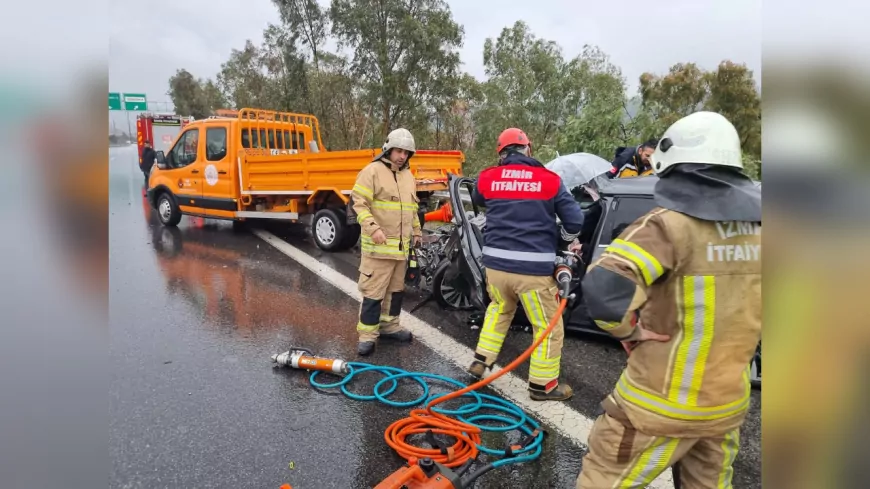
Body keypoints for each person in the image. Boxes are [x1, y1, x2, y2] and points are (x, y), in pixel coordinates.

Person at [576, 111, 761, 488]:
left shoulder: (666, 224)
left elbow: (606, 290)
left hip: (656, 407)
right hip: (725, 407)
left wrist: (629, 331)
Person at [466, 128, 585, 401]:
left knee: (498, 310)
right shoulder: (550, 180)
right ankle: (542, 386)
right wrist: (563, 240)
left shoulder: (488, 177)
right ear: (528, 149)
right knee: (546, 326)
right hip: (533, 272)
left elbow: (478, 199)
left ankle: (481, 361)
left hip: (495, 268)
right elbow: (575, 221)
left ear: (501, 154)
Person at [349, 128, 423, 356]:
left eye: (406, 152)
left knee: (396, 292)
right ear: (389, 149)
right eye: (399, 151)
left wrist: (417, 231)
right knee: (373, 294)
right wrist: (373, 229)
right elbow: (358, 203)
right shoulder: (372, 171)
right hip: (378, 249)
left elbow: (412, 208)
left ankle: (389, 327)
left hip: (400, 251)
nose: (402, 156)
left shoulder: (407, 176)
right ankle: (368, 336)